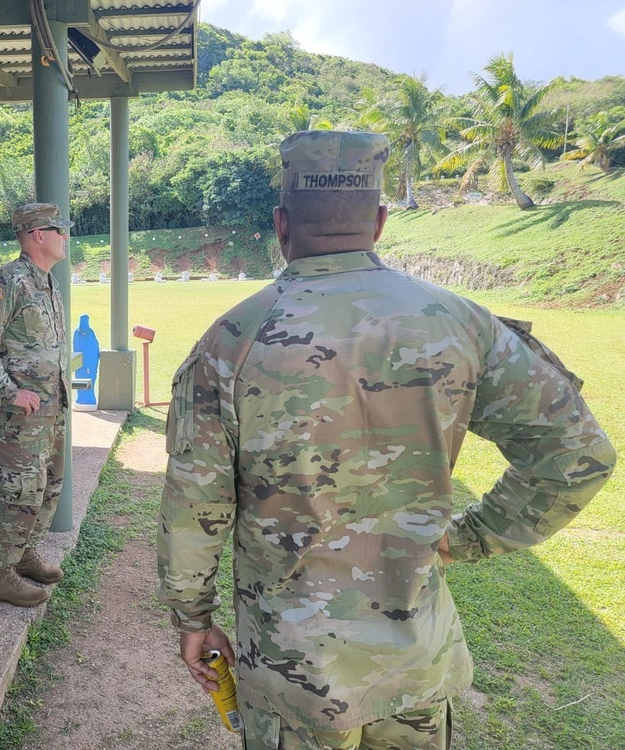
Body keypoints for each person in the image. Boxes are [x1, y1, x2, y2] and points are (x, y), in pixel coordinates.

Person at [156, 131, 616, 750]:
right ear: (379, 219)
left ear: (280, 223)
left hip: (296, 675)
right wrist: (468, 539)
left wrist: (193, 617)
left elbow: (195, 506)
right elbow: (576, 455)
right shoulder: (462, 323)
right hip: (416, 664)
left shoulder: (231, 342)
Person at [0, 202, 73, 608]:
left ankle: (24, 552)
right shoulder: (5, 281)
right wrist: (9, 392)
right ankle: (0, 575)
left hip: (51, 411)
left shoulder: (47, 282)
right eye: (59, 230)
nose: (66, 237)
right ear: (37, 234)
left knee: (49, 487)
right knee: (19, 491)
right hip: (19, 418)